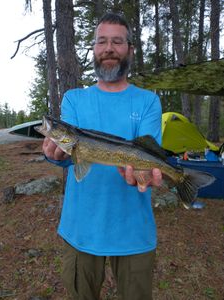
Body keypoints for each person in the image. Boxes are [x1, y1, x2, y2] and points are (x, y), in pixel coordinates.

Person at [43, 12, 162, 300]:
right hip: (80, 231)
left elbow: (147, 155)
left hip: (135, 233)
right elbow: (69, 154)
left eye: (118, 42)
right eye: (102, 41)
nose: (109, 48)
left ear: (130, 50)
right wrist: (56, 155)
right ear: (94, 49)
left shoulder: (148, 101)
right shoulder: (73, 98)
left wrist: (145, 174)